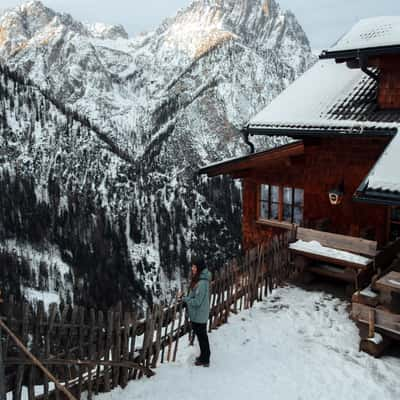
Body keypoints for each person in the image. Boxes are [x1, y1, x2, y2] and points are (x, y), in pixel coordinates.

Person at [181, 256, 211, 367]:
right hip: (199, 314)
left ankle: (205, 359)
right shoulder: (199, 279)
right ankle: (204, 357)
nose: (192, 268)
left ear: (199, 267)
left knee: (202, 337)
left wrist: (185, 299)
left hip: (199, 315)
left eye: (194, 266)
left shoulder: (202, 283)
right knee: (202, 337)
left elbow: (197, 301)